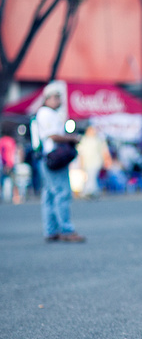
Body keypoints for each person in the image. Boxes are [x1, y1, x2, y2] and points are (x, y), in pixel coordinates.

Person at [34, 82, 85, 242]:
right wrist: (72, 138)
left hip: (47, 157)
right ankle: (66, 230)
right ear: (47, 98)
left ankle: (51, 230)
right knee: (61, 193)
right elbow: (53, 135)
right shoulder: (46, 113)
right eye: (56, 97)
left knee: (49, 195)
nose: (59, 100)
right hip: (53, 157)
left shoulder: (49, 113)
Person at [76, 126, 111, 199]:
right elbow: (81, 153)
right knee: (88, 177)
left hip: (96, 161)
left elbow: (103, 151)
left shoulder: (98, 140)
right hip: (87, 161)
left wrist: (106, 160)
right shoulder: (84, 140)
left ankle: (90, 191)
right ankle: (90, 191)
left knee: (92, 176)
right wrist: (81, 163)